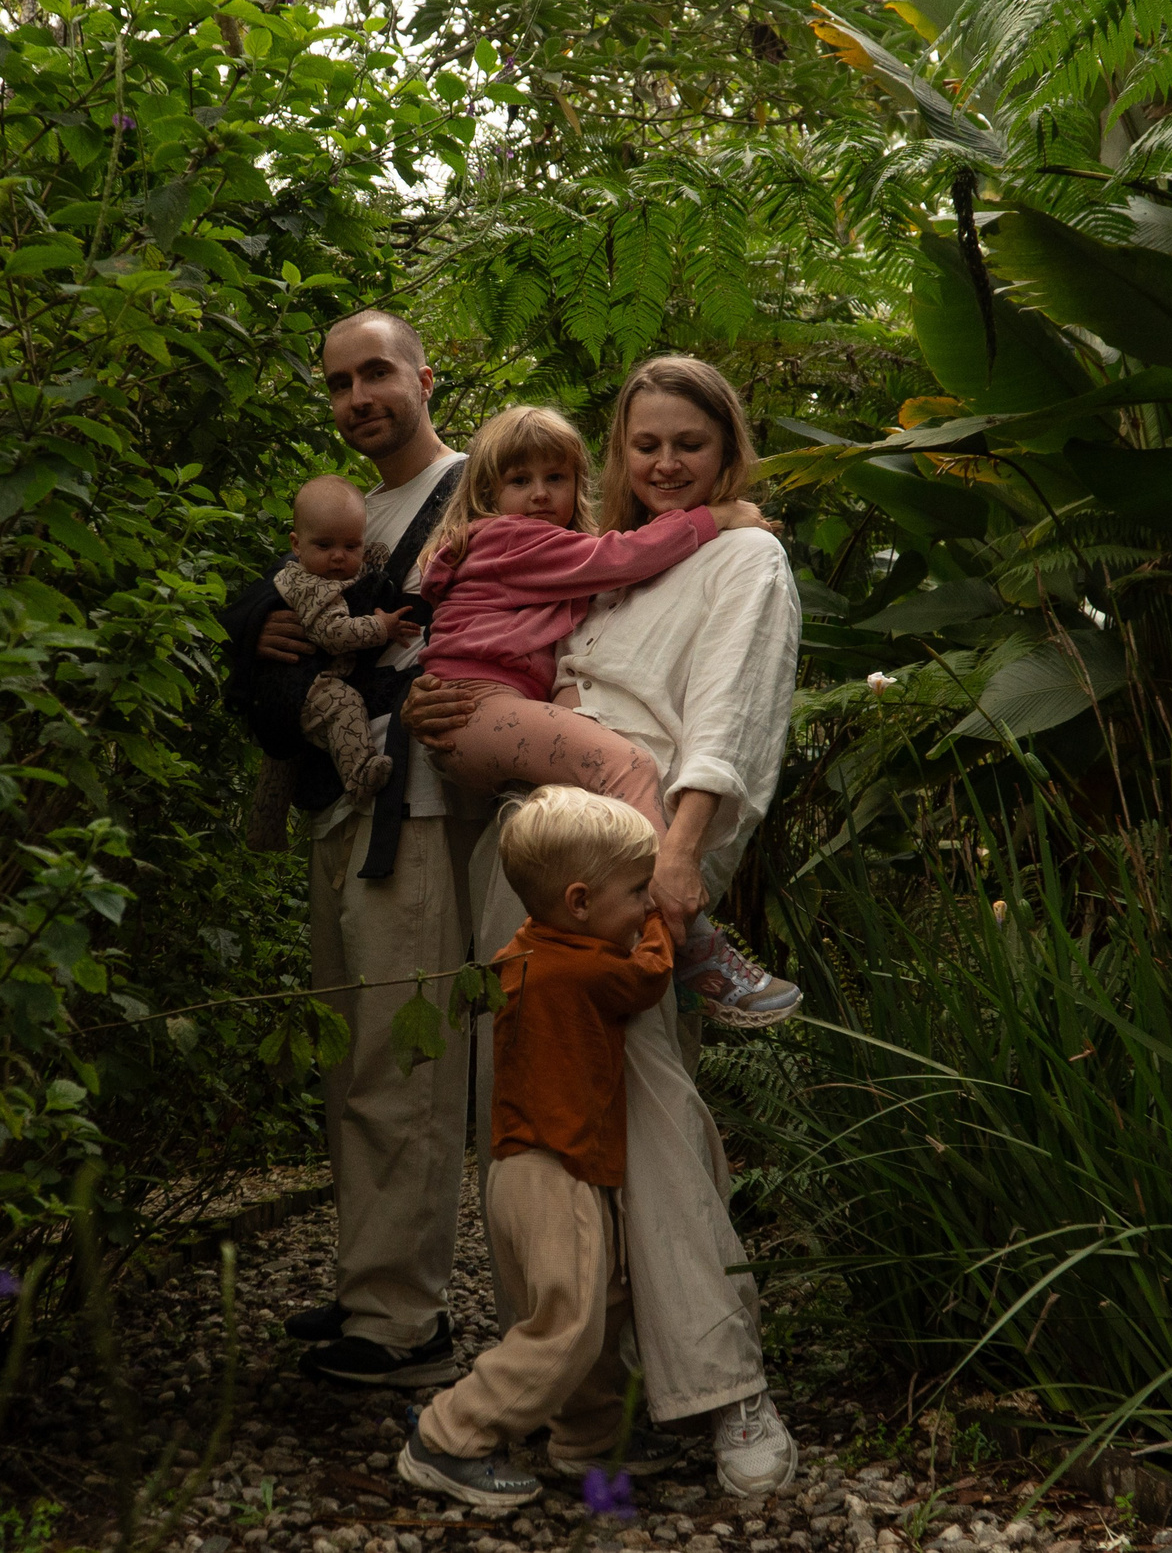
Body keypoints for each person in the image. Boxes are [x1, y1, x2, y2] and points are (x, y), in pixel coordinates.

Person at [402, 354, 803, 1496]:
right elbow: (510, 673)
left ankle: (726, 1390)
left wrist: (678, 861)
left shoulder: (741, 551)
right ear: (617, 455)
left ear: (728, 452)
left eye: (690, 443)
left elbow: (729, 715)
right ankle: (578, 1408)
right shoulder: (598, 569)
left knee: (655, 1115)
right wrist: (438, 701)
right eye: (645, 444)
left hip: (639, 861)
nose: (666, 463)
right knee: (534, 1134)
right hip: (528, 852)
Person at [256, 309, 482, 1388]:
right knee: (354, 1058)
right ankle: (368, 1290)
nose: (359, 398)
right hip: (341, 806)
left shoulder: (478, 487)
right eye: (341, 383)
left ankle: (402, 1323)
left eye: (377, 373)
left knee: (404, 1060)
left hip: (424, 805)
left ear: (425, 377)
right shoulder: (339, 518)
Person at [415, 404, 798, 1028]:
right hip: (483, 713)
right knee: (628, 765)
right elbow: (617, 559)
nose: (540, 495)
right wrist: (714, 518)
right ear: (488, 494)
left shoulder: (552, 559)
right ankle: (682, 931)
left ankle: (659, 939)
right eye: (519, 482)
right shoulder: (513, 540)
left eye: (556, 479)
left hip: (505, 739)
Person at [396, 787, 687, 1509]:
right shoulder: (584, 968)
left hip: (521, 1172)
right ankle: (449, 1435)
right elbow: (649, 976)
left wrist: (635, 905)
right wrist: (665, 924)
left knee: (601, 1302)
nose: (645, 902)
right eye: (636, 891)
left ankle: (586, 1436)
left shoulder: (527, 945)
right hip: (556, 1169)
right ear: (581, 901)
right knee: (569, 1322)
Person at [271, 474, 423, 802]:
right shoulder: (313, 585)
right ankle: (359, 776)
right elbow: (332, 634)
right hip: (309, 686)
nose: (339, 556)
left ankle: (264, 827)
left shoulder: (308, 574)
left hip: (303, 685)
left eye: (351, 546)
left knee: (279, 768)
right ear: (296, 545)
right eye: (324, 546)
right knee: (346, 705)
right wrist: (381, 627)